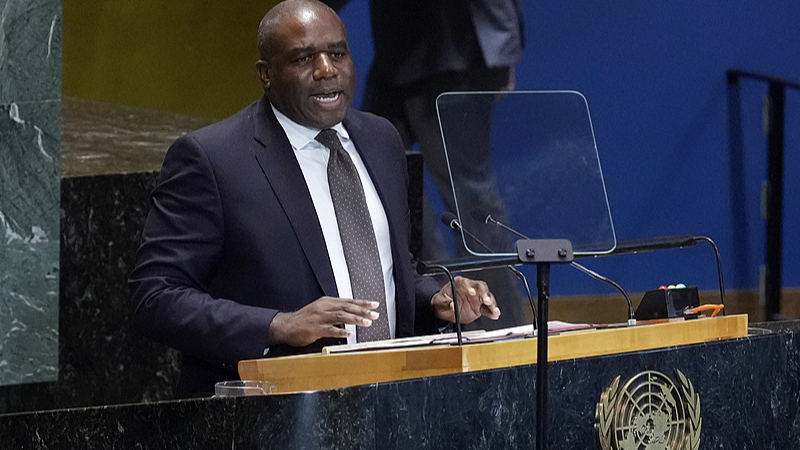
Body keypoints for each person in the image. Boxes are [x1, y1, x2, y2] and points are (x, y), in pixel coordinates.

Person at [128, 0, 500, 398]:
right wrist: (277, 325)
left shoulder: (381, 139)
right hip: (271, 412)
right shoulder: (213, 159)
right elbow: (155, 295)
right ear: (266, 75)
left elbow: (392, 268)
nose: (326, 70)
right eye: (304, 58)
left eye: (337, 53)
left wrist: (433, 301)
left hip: (392, 403)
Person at [326, 0, 528, 329]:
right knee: (383, 181)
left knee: (471, 198)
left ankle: (504, 332)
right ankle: (442, 300)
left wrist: (504, 45)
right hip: (399, 53)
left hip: (455, 50)